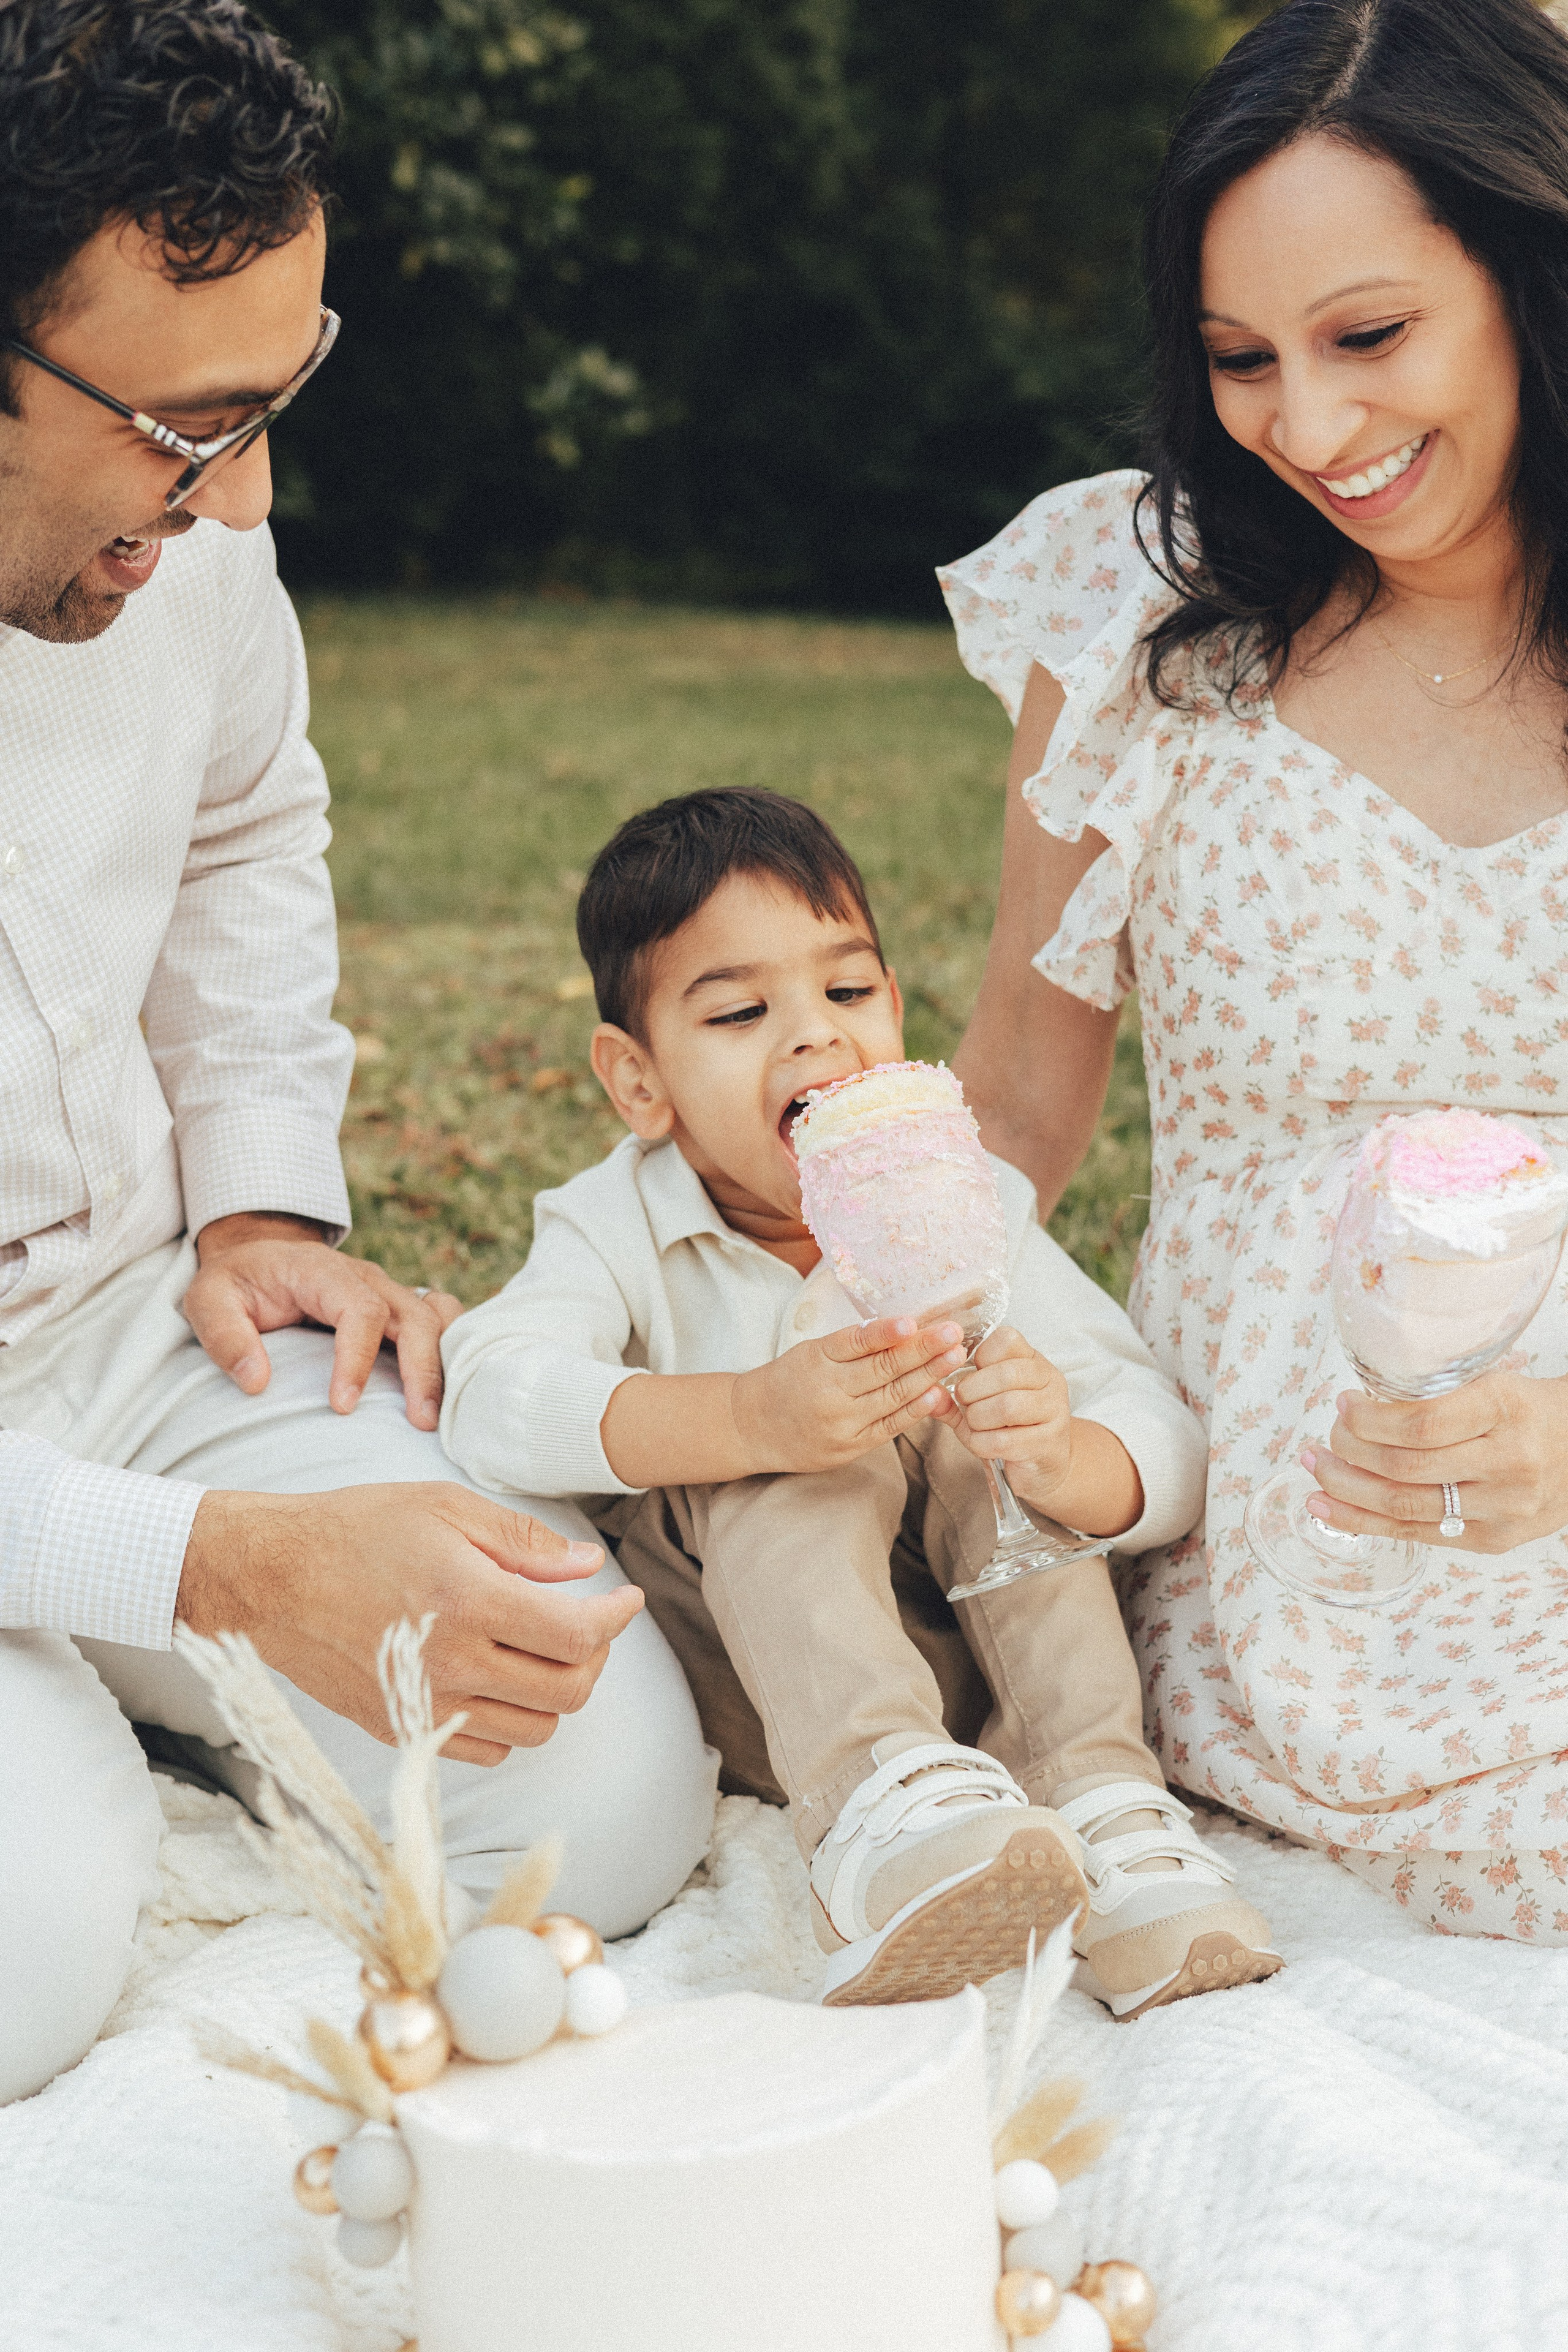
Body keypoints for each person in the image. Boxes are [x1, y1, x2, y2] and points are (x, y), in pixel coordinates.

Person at [0, 0, 715, 2108]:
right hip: (147, 1494)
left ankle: (119, 1684)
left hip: (129, 1325)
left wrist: (260, 1194)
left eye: (278, 400)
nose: (247, 502)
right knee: (23, 1958)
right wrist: (224, 1573)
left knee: (600, 1780)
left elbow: (244, 822)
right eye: (195, 427)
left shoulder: (187, 525)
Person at [944, 0, 1568, 1942]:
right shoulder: (1137, 616)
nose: (1307, 428)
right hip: (1263, 1537)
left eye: (1369, 335)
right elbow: (1017, 1105)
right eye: (1240, 359)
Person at [439, 786, 1280, 2012]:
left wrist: (1062, 1456)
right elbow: (494, 1395)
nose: (813, 1038)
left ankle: (1105, 1814)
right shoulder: (611, 1224)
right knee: (785, 1449)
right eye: (736, 1011)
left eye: (847, 993)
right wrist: (741, 1417)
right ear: (637, 1082)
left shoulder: (970, 1208)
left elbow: (1158, 1429)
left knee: (983, 1420)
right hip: (767, 1682)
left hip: (984, 1649)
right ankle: (882, 1820)